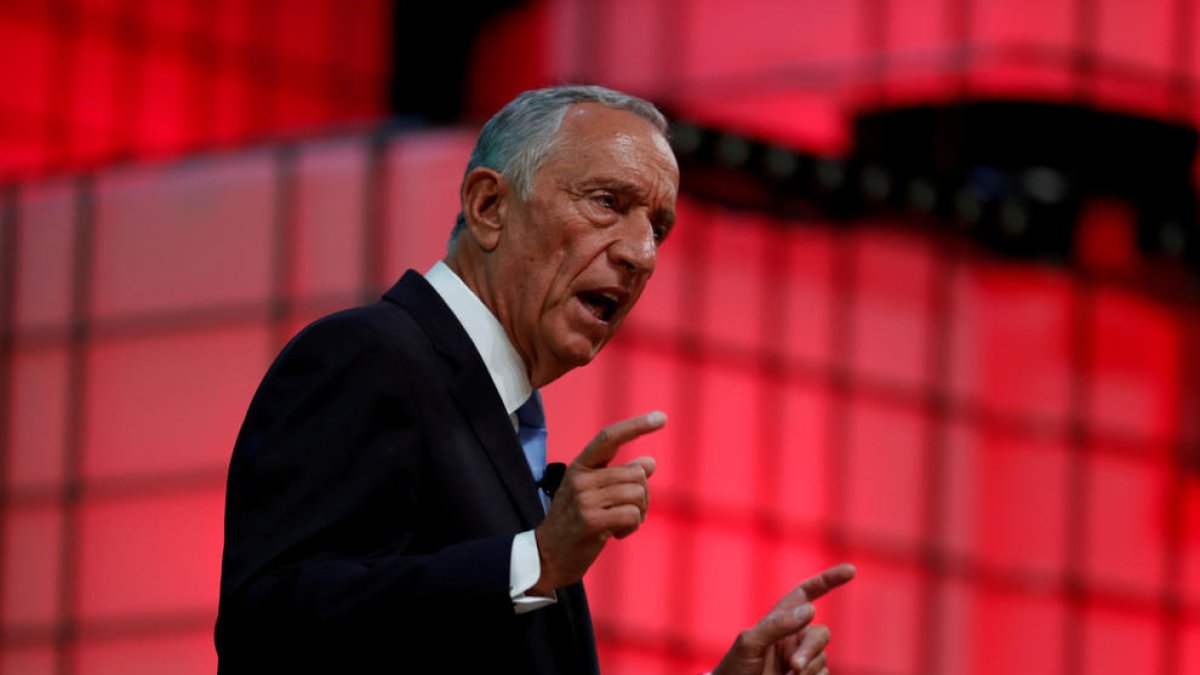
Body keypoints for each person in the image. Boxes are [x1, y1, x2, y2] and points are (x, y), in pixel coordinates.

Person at [215, 85, 854, 674]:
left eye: (658, 228)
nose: (642, 253)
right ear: (489, 206)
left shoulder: (508, 427)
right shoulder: (368, 354)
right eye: (608, 203)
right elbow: (268, 624)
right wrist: (536, 561)